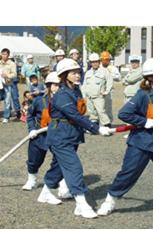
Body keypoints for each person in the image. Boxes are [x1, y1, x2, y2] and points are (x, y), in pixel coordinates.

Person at [96, 58, 153, 226]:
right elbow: (124, 114)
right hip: (140, 143)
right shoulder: (142, 95)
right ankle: (109, 201)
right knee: (127, 176)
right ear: (151, 77)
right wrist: (143, 121)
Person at [44, 58, 111, 219]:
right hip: (60, 136)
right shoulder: (62, 95)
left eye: (78, 72)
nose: (77, 75)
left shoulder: (76, 91)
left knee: (59, 167)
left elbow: (80, 114)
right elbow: (75, 115)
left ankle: (45, 192)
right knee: (74, 167)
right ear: (64, 75)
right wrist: (95, 128)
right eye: (73, 73)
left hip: (72, 135)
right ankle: (81, 204)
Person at [26, 72, 68, 203]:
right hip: (40, 134)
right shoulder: (40, 101)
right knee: (35, 159)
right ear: (49, 86)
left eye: (59, 85)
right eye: (54, 85)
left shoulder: (66, 101)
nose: (57, 88)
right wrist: (32, 129)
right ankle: (32, 180)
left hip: (58, 136)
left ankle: (63, 185)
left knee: (61, 160)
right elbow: (30, 116)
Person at [83, 53, 114, 127]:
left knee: (101, 112)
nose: (95, 64)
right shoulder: (88, 73)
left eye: (96, 61)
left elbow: (110, 82)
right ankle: (95, 128)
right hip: (89, 96)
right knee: (92, 113)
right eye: (93, 62)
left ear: (99, 62)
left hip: (99, 96)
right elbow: (84, 85)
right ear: (90, 63)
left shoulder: (104, 71)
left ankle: (107, 127)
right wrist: (84, 95)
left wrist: (106, 92)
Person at [0, 48, 17, 123]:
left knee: (7, 102)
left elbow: (14, 74)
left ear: (8, 55)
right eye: (2, 54)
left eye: (5, 54)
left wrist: (7, 75)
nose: (3, 56)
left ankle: (6, 117)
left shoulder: (12, 64)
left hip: (7, 85)